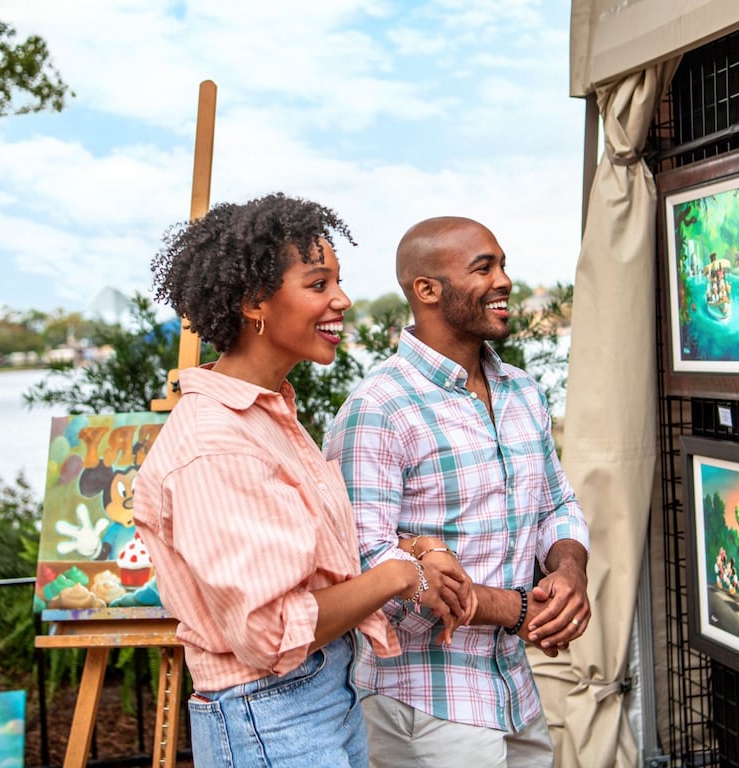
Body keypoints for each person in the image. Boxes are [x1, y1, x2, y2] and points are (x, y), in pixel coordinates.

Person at [133, 194, 472, 768]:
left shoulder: (268, 416)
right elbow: (269, 632)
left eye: (337, 281)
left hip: (314, 698)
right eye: (318, 284)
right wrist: (396, 575)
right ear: (253, 302)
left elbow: (311, 566)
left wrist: (411, 549)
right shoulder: (218, 445)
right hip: (272, 715)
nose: (341, 299)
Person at [324, 215, 591, 767]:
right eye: (483, 268)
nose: (504, 281)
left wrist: (569, 574)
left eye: (503, 266)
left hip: (515, 692)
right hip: (424, 704)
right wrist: (517, 609)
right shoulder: (378, 409)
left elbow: (558, 506)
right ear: (427, 289)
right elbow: (366, 564)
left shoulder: (523, 392)